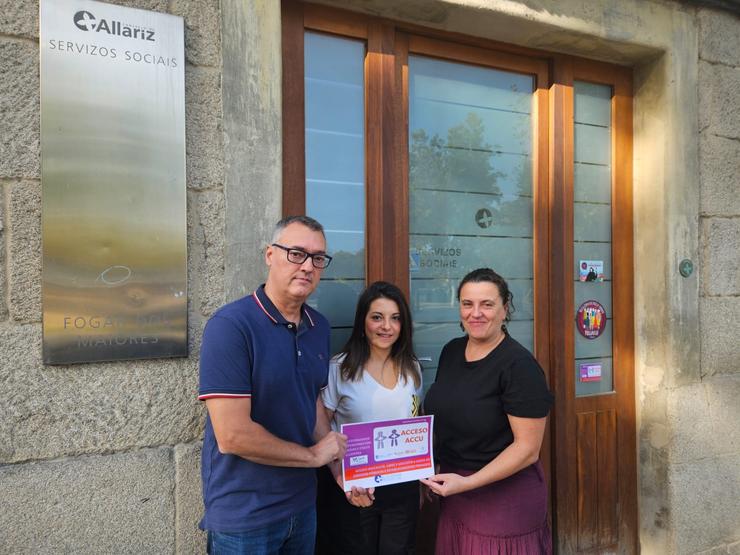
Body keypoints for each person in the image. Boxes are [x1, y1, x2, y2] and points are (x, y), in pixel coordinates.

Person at [198, 215, 347, 555]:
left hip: (302, 507)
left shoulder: (318, 326)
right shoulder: (231, 326)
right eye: (296, 253)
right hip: (245, 517)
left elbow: (309, 403)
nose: (308, 266)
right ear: (269, 255)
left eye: (318, 258)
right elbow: (232, 435)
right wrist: (312, 456)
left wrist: (338, 470)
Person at [422, 268, 553, 554]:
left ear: (505, 309)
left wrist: (467, 483)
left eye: (487, 304)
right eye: (468, 304)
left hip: (503, 498)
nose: (475, 313)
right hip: (455, 491)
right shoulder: (451, 352)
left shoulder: (519, 367)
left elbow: (528, 449)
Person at [316, 281, 422, 555]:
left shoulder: (413, 368)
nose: (386, 326)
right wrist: (338, 473)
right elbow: (322, 425)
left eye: (395, 318)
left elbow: (415, 419)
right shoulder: (340, 369)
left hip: (402, 489)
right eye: (377, 317)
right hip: (354, 487)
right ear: (362, 322)